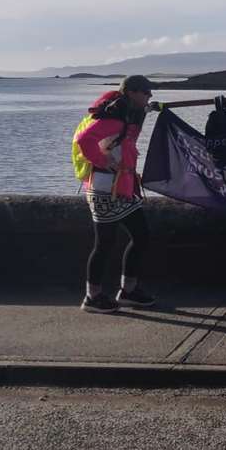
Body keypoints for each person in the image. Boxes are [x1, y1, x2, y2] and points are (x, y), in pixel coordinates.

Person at [74, 75, 157, 314]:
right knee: (105, 243)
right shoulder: (114, 119)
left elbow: (133, 127)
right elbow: (84, 139)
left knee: (141, 236)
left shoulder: (126, 115)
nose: (150, 95)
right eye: (146, 92)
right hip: (104, 188)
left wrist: (150, 109)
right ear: (132, 92)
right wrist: (102, 159)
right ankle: (93, 297)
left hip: (121, 187)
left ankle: (128, 291)